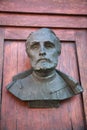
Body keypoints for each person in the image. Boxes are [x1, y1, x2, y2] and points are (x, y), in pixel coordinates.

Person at [7, 28, 83, 107]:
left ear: (58, 51)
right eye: (35, 47)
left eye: (49, 46)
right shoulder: (17, 87)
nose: (42, 52)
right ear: (28, 53)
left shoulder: (71, 86)